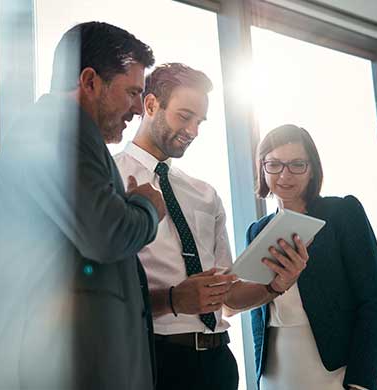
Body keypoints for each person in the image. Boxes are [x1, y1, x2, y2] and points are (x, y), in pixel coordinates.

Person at [0, 22, 165, 390]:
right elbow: (107, 234)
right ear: (90, 80)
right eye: (131, 92)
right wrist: (145, 206)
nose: (136, 110)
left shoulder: (62, 133)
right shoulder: (59, 128)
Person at [114, 63, 309, 390]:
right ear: (150, 105)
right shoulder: (112, 179)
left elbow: (228, 296)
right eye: (184, 115)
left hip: (218, 363)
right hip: (155, 360)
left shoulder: (204, 194)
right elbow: (102, 293)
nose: (193, 130)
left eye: (199, 122)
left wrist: (276, 286)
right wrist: (174, 299)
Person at [248, 124, 377, 390]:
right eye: (274, 164)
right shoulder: (256, 231)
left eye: (297, 164)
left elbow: (372, 302)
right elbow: (258, 312)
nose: (285, 175)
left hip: (335, 368)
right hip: (275, 369)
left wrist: (362, 382)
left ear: (312, 170)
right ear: (262, 168)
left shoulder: (343, 212)